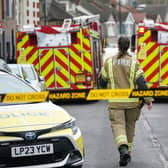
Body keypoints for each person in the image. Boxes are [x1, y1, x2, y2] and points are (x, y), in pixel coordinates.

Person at [98, 36, 153, 167]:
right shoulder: (134, 63)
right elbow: (141, 83)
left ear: (118, 45)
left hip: (115, 103)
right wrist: (148, 99)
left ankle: (123, 150)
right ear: (128, 46)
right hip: (132, 104)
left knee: (118, 127)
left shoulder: (109, 62)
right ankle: (127, 154)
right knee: (130, 129)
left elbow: (102, 82)